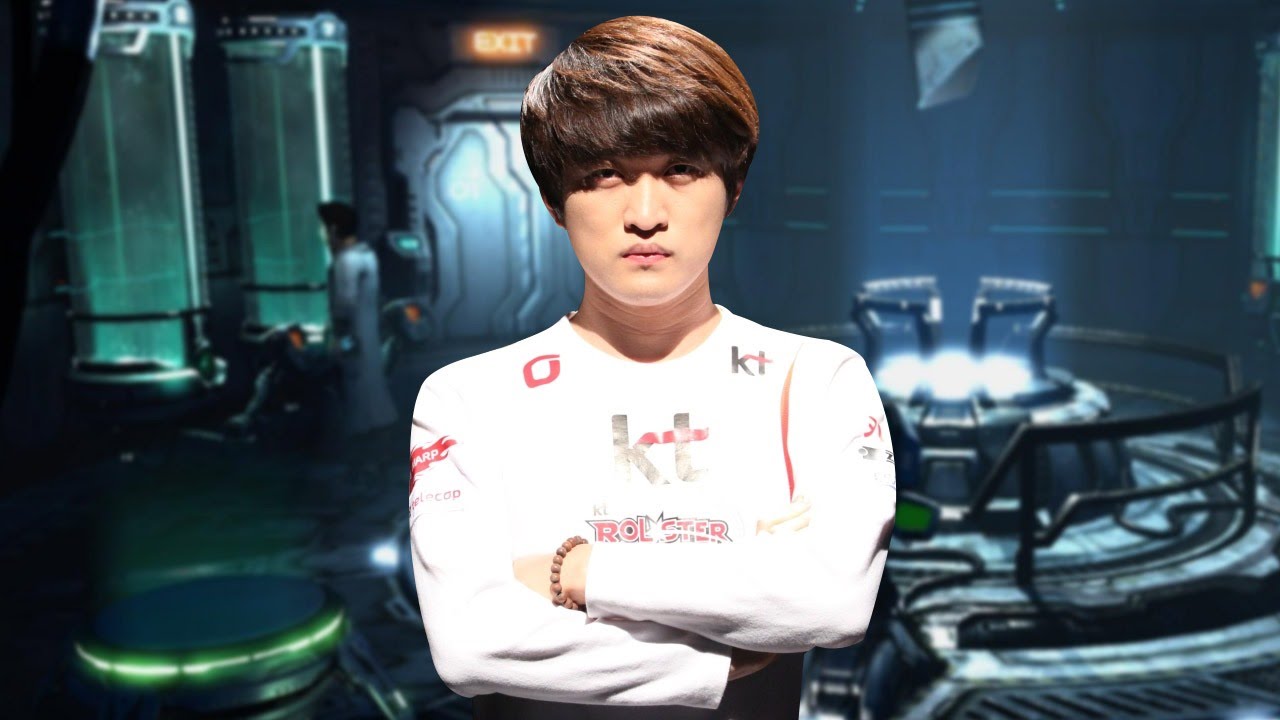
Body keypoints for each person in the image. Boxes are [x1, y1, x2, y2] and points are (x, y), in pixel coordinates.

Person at [408, 16, 896, 719]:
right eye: (603, 175)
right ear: (554, 202)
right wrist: (722, 651)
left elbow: (832, 602)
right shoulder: (469, 397)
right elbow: (472, 645)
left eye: (680, 170)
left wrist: (577, 571)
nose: (644, 213)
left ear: (733, 187)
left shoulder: (817, 380)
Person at [320, 201, 397, 439]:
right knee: (370, 376)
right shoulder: (367, 255)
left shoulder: (346, 261)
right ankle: (378, 420)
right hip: (368, 328)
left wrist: (339, 338)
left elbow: (345, 303)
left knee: (354, 380)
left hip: (352, 332)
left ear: (334, 229)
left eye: (323, 228)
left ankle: (360, 428)